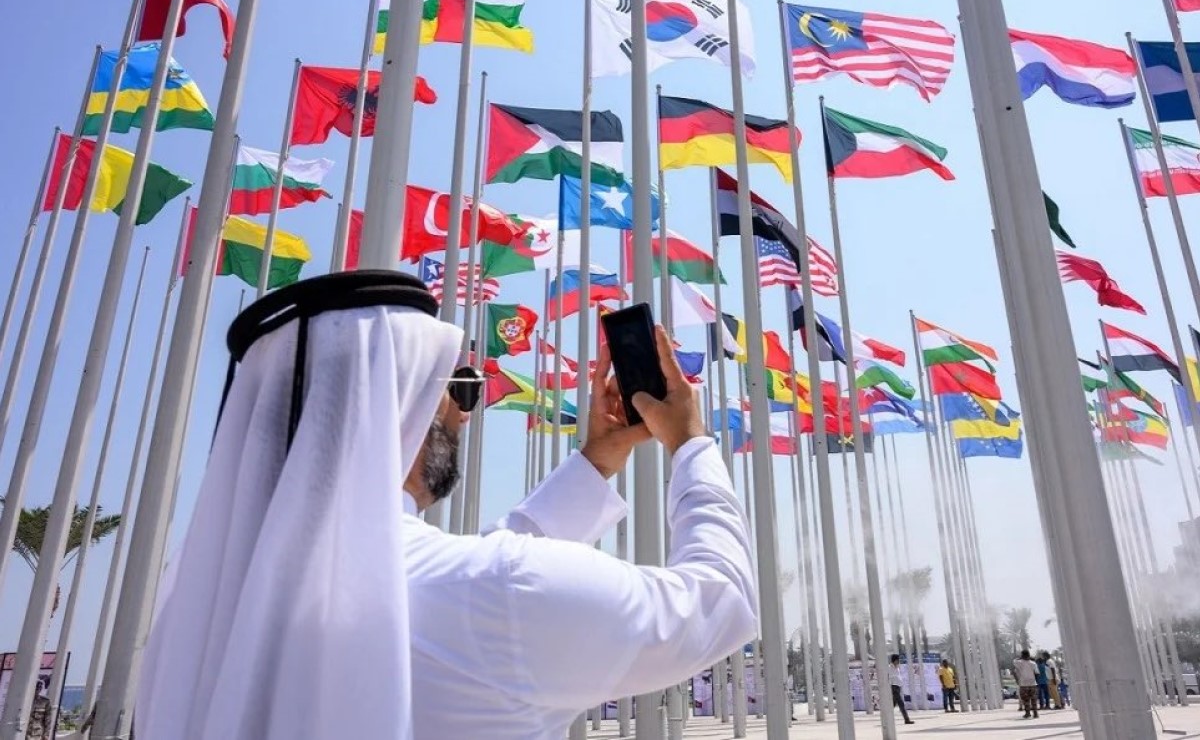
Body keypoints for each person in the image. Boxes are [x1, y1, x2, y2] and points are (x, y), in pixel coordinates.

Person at [134, 272, 758, 740]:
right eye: (457, 389)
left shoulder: (207, 604)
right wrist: (690, 442)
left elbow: (480, 578)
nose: (464, 414)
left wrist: (597, 460)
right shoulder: (493, 593)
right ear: (390, 407)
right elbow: (720, 599)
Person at [1013, 649, 1040, 719]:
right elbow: (1037, 673)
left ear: (1022, 655)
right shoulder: (1033, 663)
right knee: (1034, 699)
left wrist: (1020, 657)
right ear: (1029, 655)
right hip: (1032, 683)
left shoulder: (1018, 662)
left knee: (1025, 700)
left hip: (1023, 684)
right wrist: (1036, 682)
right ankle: (1035, 713)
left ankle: (1027, 713)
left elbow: (1014, 661)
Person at [889, 654, 914, 725]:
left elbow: (898, 676)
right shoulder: (889, 667)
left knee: (893, 704)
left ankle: (887, 718)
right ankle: (907, 719)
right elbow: (889, 677)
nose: (898, 661)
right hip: (894, 687)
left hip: (898, 687)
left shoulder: (897, 667)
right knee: (901, 703)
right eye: (898, 660)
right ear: (894, 660)